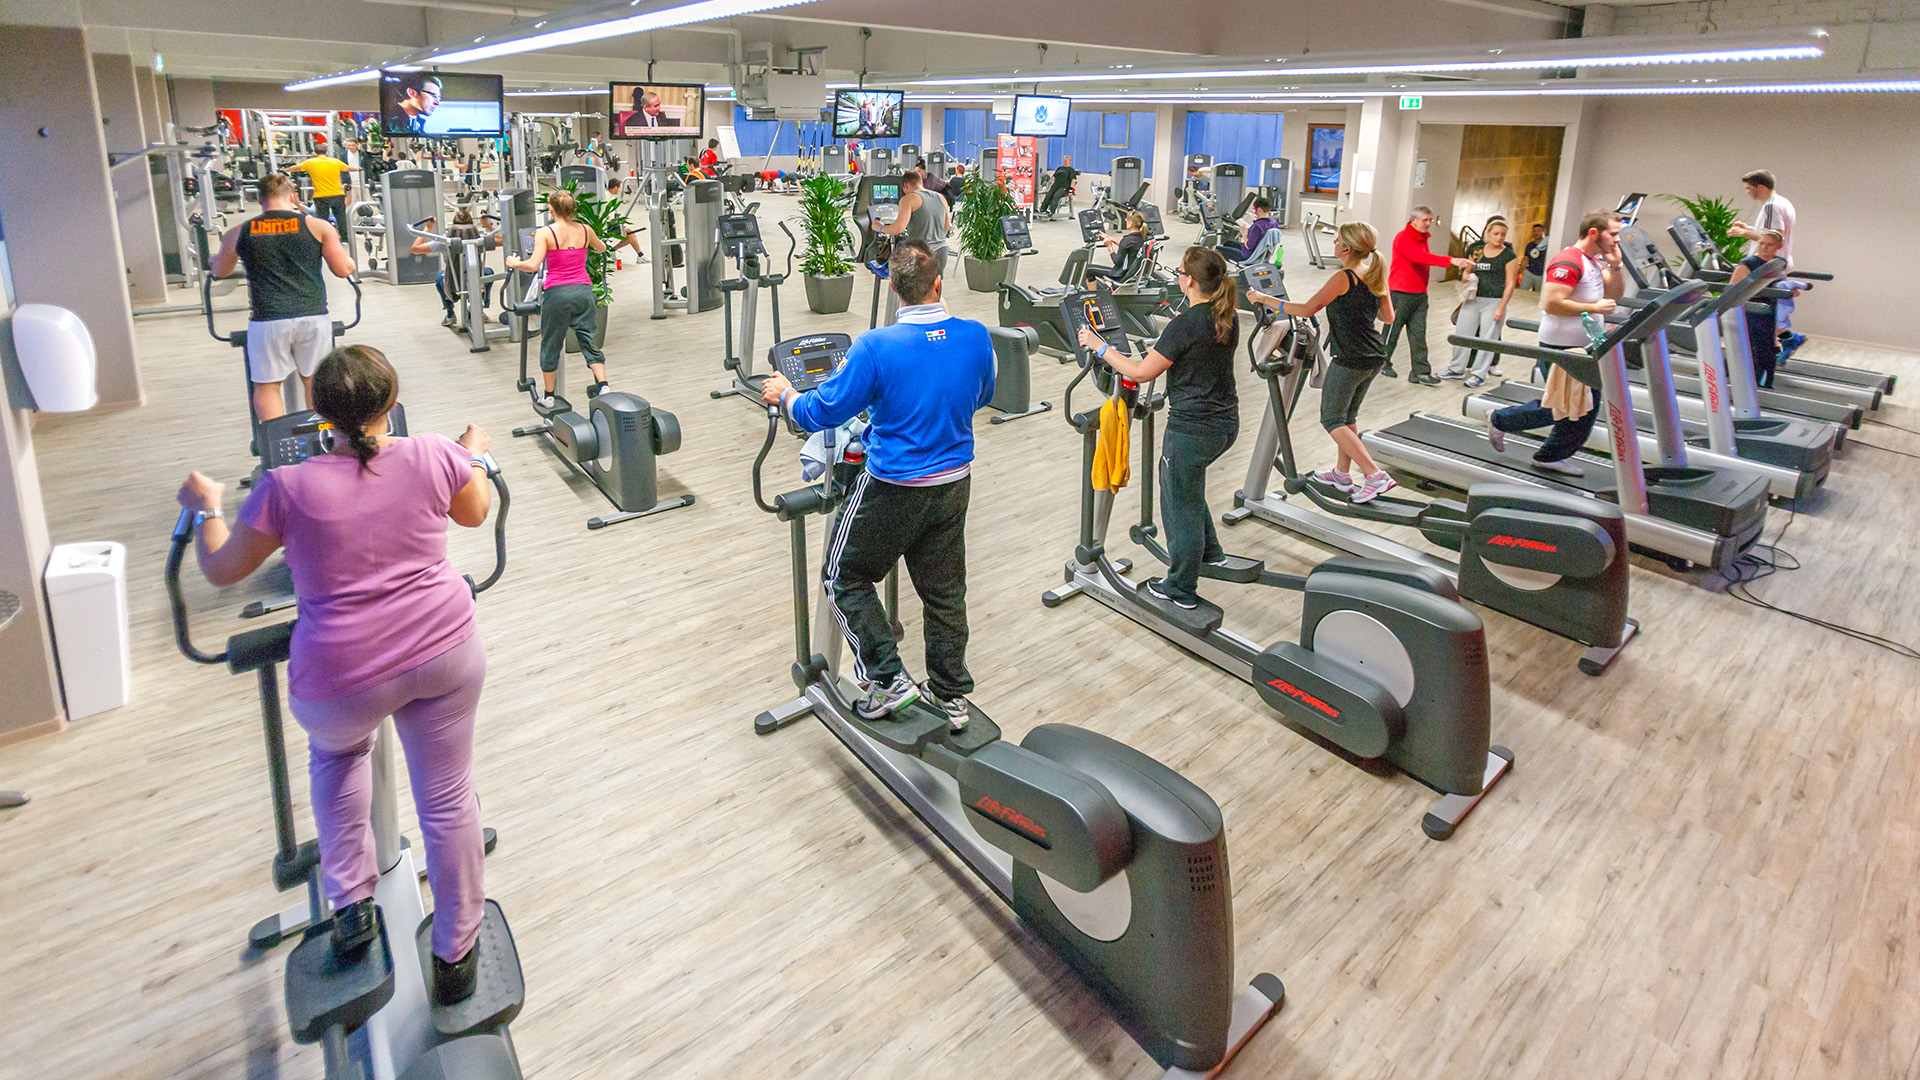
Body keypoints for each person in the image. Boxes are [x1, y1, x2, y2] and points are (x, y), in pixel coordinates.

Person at [173, 344, 497, 1006]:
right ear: (392, 403)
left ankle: (352, 908)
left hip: (341, 679)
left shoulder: (286, 486)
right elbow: (475, 512)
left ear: (318, 411)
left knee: (340, 759)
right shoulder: (434, 453)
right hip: (445, 652)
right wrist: (472, 456)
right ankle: (457, 955)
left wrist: (207, 507)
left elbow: (221, 570)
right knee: (448, 798)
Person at [759, 241, 995, 728]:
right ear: (938, 283)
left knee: (842, 576)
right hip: (954, 484)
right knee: (944, 592)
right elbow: (980, 393)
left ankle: (887, 679)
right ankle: (951, 694)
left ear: (892, 288)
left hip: (894, 487)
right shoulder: (975, 336)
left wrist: (786, 395)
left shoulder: (875, 346)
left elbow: (821, 411)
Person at [1076, 247, 1241, 609]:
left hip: (1192, 430)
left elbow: (1139, 372)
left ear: (1189, 281)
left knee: (1179, 505)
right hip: (1225, 424)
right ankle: (1210, 553)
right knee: (1188, 489)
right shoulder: (1224, 315)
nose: (1178, 276)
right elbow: (1195, 349)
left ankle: (1180, 589)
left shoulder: (1186, 324)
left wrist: (1099, 346)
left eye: (1180, 272)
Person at [1250, 222, 1399, 504]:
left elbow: (1308, 309)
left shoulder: (1344, 278)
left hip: (1351, 358)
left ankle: (1374, 475)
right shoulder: (1373, 274)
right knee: (1347, 417)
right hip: (1374, 356)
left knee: (1331, 419)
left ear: (1347, 248)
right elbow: (1388, 317)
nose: (1334, 245)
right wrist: (1364, 306)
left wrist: (1266, 300)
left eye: (1337, 241)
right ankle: (1342, 474)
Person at [1483, 209, 1626, 476]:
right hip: (1563, 346)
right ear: (1594, 233)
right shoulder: (1569, 260)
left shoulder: (1594, 261)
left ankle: (1544, 451)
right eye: (1613, 234)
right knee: (1571, 407)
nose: (1618, 239)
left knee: (1574, 406)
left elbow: (1615, 294)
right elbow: (1551, 303)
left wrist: (1616, 265)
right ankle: (1506, 424)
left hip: (1585, 344)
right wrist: (1594, 307)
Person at [211, 173, 356, 423]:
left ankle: (278, 442)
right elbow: (342, 270)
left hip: (268, 320)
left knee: (267, 387)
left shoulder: (239, 232)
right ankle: (322, 438)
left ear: (259, 199)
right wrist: (351, 262)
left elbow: (220, 271)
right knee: (315, 382)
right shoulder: (319, 227)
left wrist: (214, 261)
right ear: (291, 197)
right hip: (312, 316)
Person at [504, 190, 610, 403]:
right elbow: (602, 248)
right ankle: (603, 385)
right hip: (583, 291)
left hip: (557, 294)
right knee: (588, 340)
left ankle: (549, 396)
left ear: (551, 209)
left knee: (551, 344)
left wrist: (515, 263)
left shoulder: (546, 233)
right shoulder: (586, 229)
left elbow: (533, 265)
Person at [1382, 206, 1476, 383]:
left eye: (1430, 220)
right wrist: (1451, 260)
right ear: (1414, 220)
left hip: (1419, 294)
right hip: (1401, 293)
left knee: (1418, 334)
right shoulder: (1404, 237)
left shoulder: (1422, 238)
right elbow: (1420, 257)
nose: (1428, 223)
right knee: (1392, 331)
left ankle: (1420, 372)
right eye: (1425, 220)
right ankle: (1381, 363)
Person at [1727, 169, 1805, 357]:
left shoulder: (1771, 206)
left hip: (1766, 265)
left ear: (1760, 187)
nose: (1747, 192)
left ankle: (1779, 343)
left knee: (1752, 309)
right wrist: (1750, 228)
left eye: (1749, 188)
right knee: (1768, 310)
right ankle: (1784, 341)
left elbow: (1774, 239)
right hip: (1775, 264)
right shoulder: (1782, 202)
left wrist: (1743, 233)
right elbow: (1771, 233)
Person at [1442, 219, 1520, 387]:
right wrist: (1466, 277)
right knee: (1462, 334)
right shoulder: (1476, 251)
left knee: (1487, 339)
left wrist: (1501, 307)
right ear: (1488, 233)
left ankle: (1479, 374)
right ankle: (1456, 368)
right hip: (1473, 299)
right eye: (1496, 233)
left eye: (1503, 234)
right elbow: (1468, 270)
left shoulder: (1509, 256)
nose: (1499, 237)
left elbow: (1510, 284)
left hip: (1494, 301)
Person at [410, 210, 495, 330]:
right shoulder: (480, 241)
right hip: (476, 280)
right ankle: (478, 310)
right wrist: (486, 224)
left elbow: (415, 249)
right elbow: (502, 238)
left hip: (453, 283)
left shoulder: (444, 242)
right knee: (489, 272)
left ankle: (450, 314)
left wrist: (427, 228)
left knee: (440, 276)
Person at [1730, 228, 1786, 387]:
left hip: (1769, 310)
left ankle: (1766, 383)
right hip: (1752, 309)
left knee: (1768, 349)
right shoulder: (1748, 263)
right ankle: (1751, 383)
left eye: (1769, 244)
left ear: (1778, 246)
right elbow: (1732, 288)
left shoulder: (1779, 262)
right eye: (1761, 243)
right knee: (1754, 348)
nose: (1764, 247)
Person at [883, 168, 951, 266]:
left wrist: (880, 227)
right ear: (921, 183)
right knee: (937, 276)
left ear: (905, 185)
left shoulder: (908, 199)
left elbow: (898, 229)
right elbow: (947, 226)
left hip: (921, 252)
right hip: (941, 250)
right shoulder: (941, 197)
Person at [286, 152, 357, 231]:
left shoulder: (314, 212)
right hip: (330, 196)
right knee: (340, 219)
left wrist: (295, 191)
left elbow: (298, 204)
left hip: (321, 199)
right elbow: (348, 202)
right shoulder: (334, 162)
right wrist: (348, 191)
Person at [1086, 210, 1148, 286]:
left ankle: (1093, 293)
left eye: (1127, 220)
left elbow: (1117, 261)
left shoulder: (1127, 240)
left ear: (1130, 223)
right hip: (1134, 272)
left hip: (1122, 275)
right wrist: (1111, 238)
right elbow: (1128, 246)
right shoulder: (1143, 237)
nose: (1125, 222)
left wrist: (1109, 247)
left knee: (1088, 270)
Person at [1219, 197, 1278, 262]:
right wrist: (1251, 231)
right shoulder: (1273, 223)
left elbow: (1249, 246)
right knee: (1228, 242)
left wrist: (1244, 233)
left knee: (1217, 250)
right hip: (1260, 253)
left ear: (1259, 209)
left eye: (1254, 209)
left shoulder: (1258, 226)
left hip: (1248, 255)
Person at [1521, 223, 1549, 290]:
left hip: (1541, 275)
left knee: (1538, 294)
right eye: (1534, 231)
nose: (1536, 233)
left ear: (1544, 232)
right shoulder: (1530, 245)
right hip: (1529, 272)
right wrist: (1519, 271)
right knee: (1522, 291)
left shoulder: (1548, 246)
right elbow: (1525, 259)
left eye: (1539, 231)